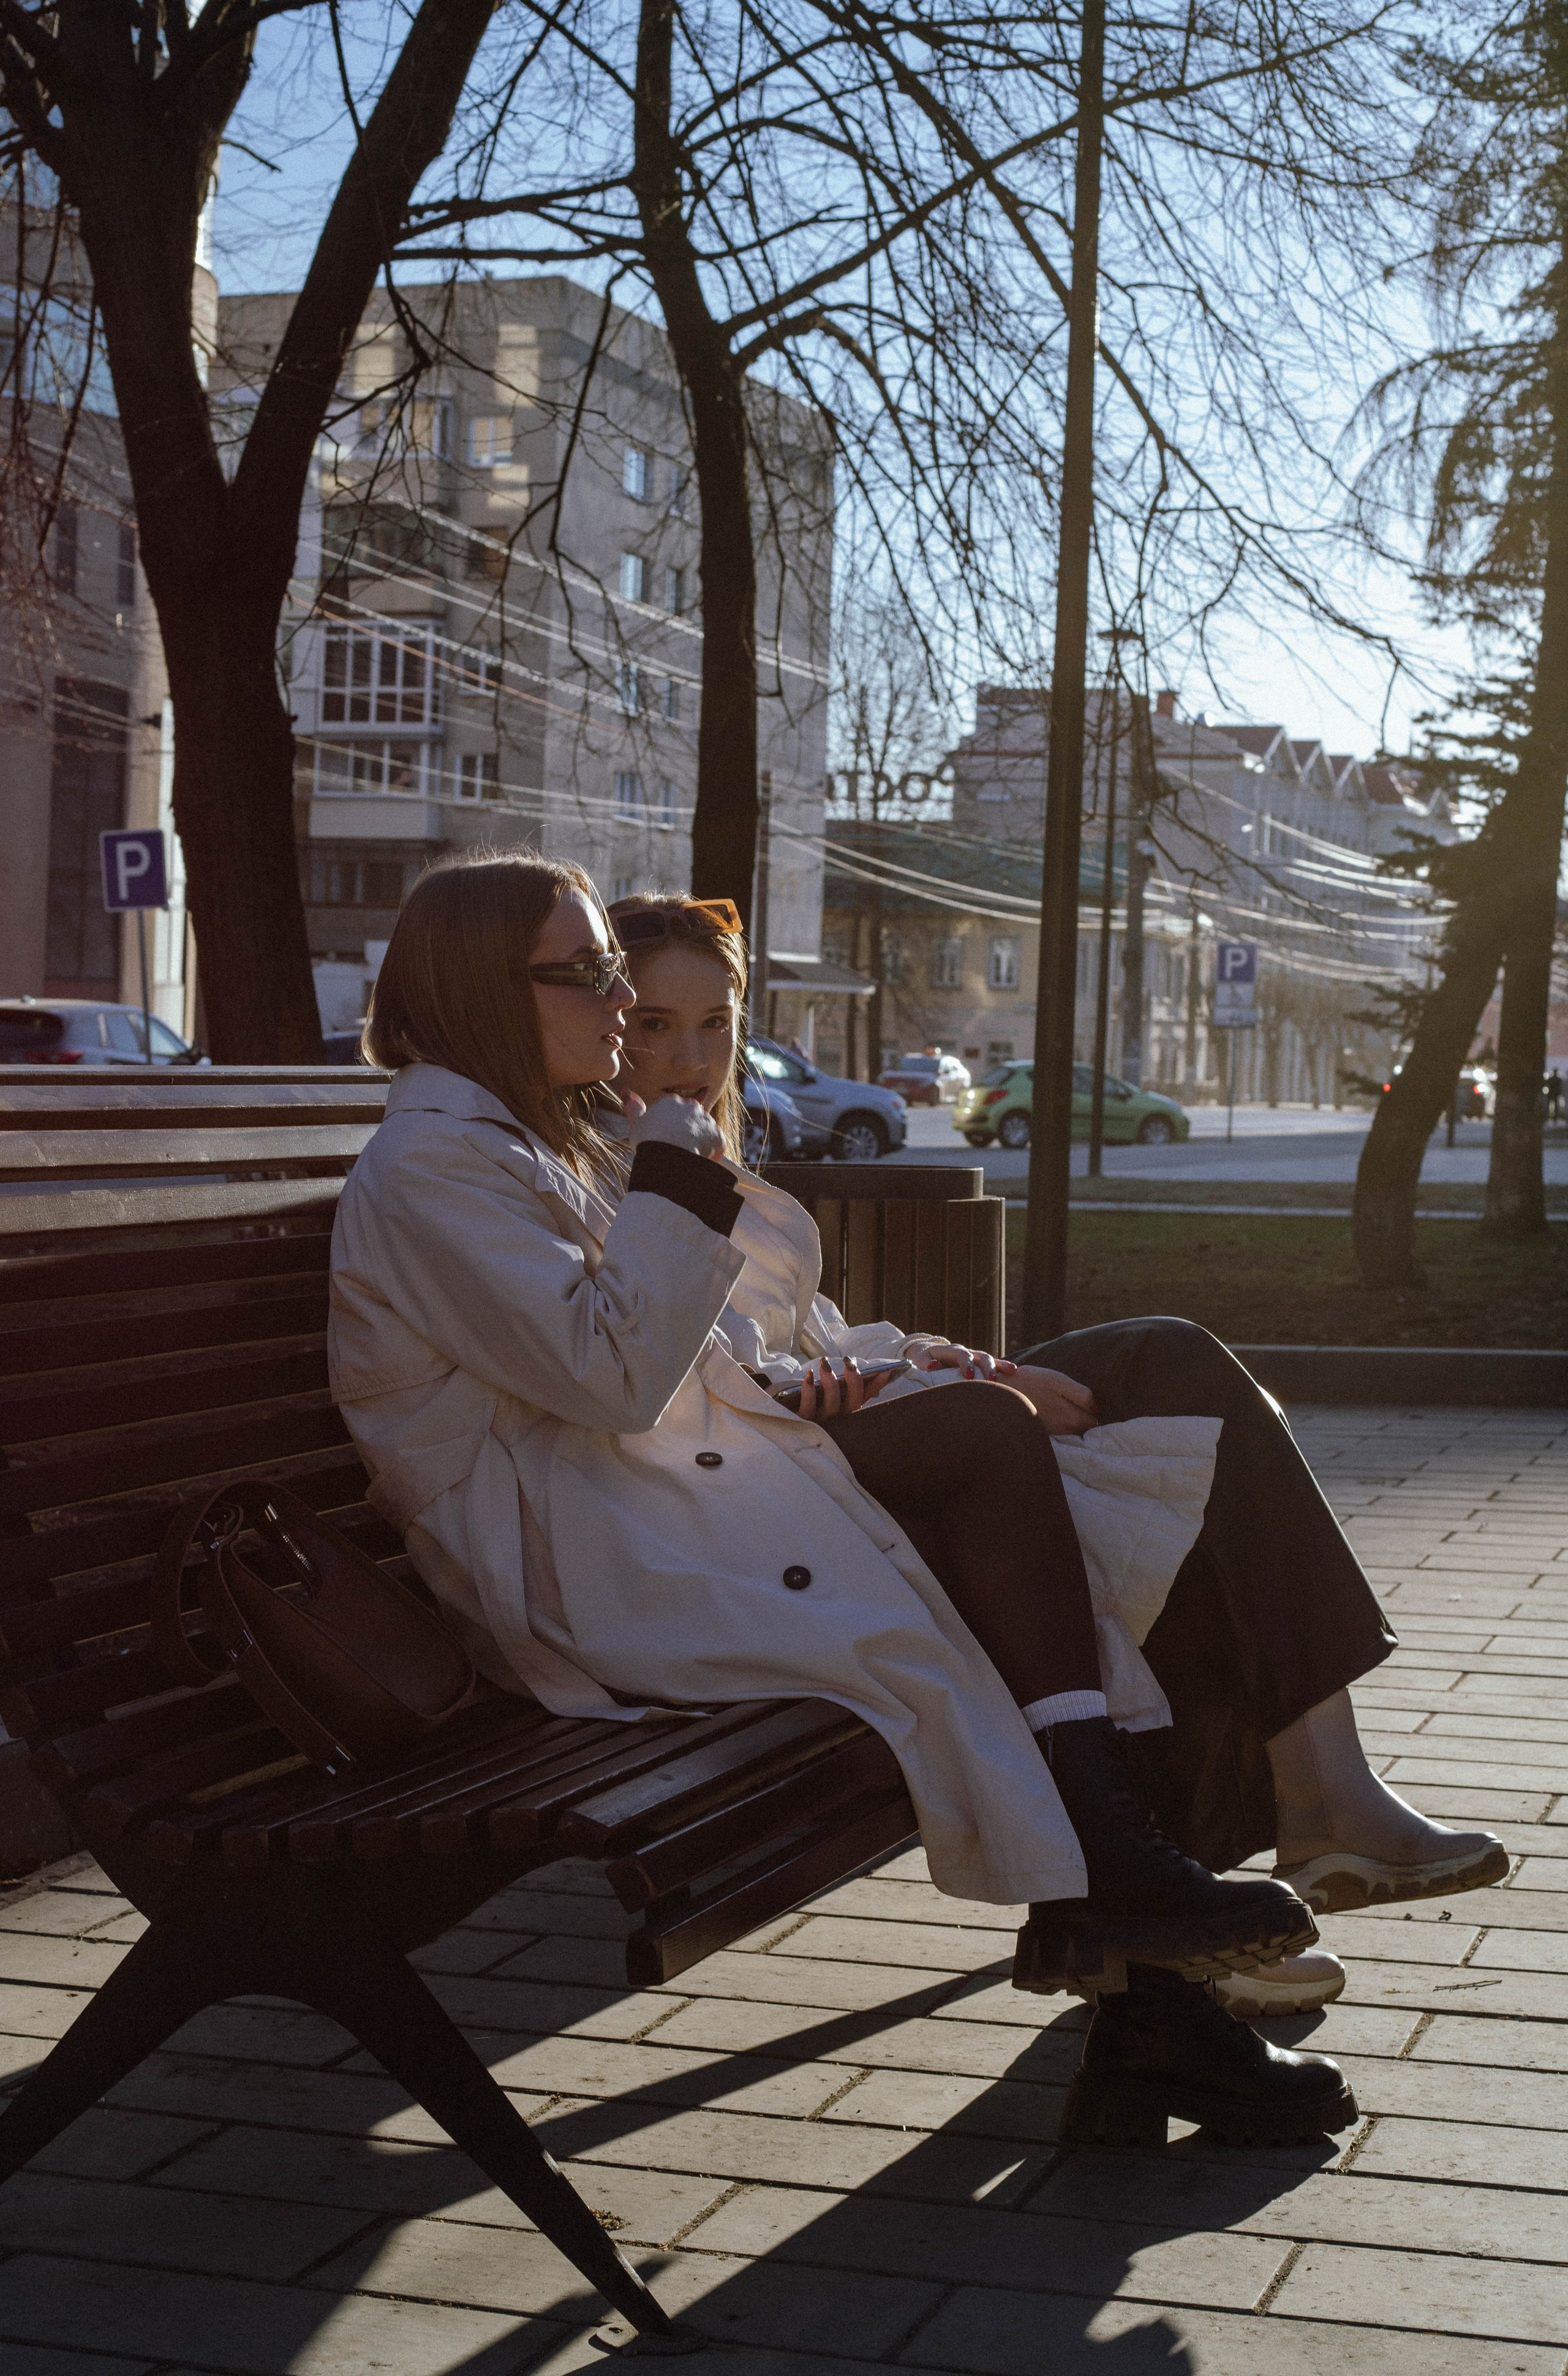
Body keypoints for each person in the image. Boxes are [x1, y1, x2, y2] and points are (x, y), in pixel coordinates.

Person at [328, 858, 1498, 2146]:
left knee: (1137, 1422)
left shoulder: (520, 1142)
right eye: (596, 975)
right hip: (600, 1562)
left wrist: (911, 1366)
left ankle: (1178, 1909)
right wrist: (685, 1191)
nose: (620, 1005)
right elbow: (616, 1377)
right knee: (1059, 1487)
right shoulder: (443, 1167)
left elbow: (697, 1360)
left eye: (635, 980)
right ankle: (1145, 1904)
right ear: (487, 991)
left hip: (666, 1503)